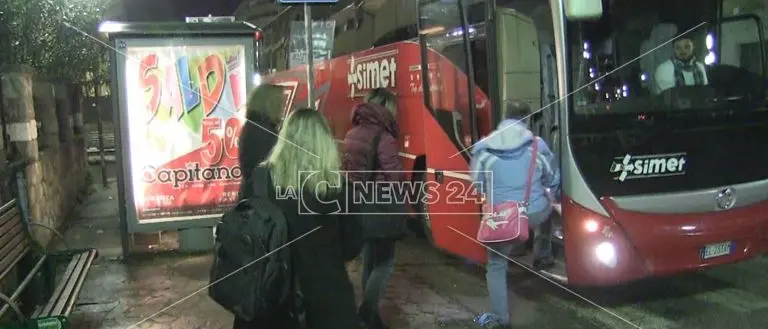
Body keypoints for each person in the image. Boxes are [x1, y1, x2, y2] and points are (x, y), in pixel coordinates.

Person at [233, 108, 365, 329]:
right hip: (327, 302)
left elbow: (241, 228)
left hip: (268, 299)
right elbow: (351, 247)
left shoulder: (260, 180)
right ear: (325, 144)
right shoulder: (339, 189)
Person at [469, 100, 561, 329]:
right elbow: (553, 179)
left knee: (496, 264)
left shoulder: (483, 148)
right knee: (550, 208)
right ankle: (543, 254)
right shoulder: (537, 145)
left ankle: (501, 318)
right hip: (534, 212)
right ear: (527, 120)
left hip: (502, 219)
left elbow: (478, 185)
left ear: (504, 117)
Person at [342, 87, 407, 329]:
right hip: (381, 207)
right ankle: (366, 313)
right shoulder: (384, 138)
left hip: (358, 206)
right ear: (386, 108)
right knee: (385, 262)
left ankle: (371, 317)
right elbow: (395, 178)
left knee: (369, 260)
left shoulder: (352, 133)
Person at [238, 83, 285, 200]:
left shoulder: (255, 126)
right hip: (261, 198)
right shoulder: (262, 131)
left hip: (254, 194)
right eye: (279, 102)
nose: (282, 106)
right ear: (269, 104)